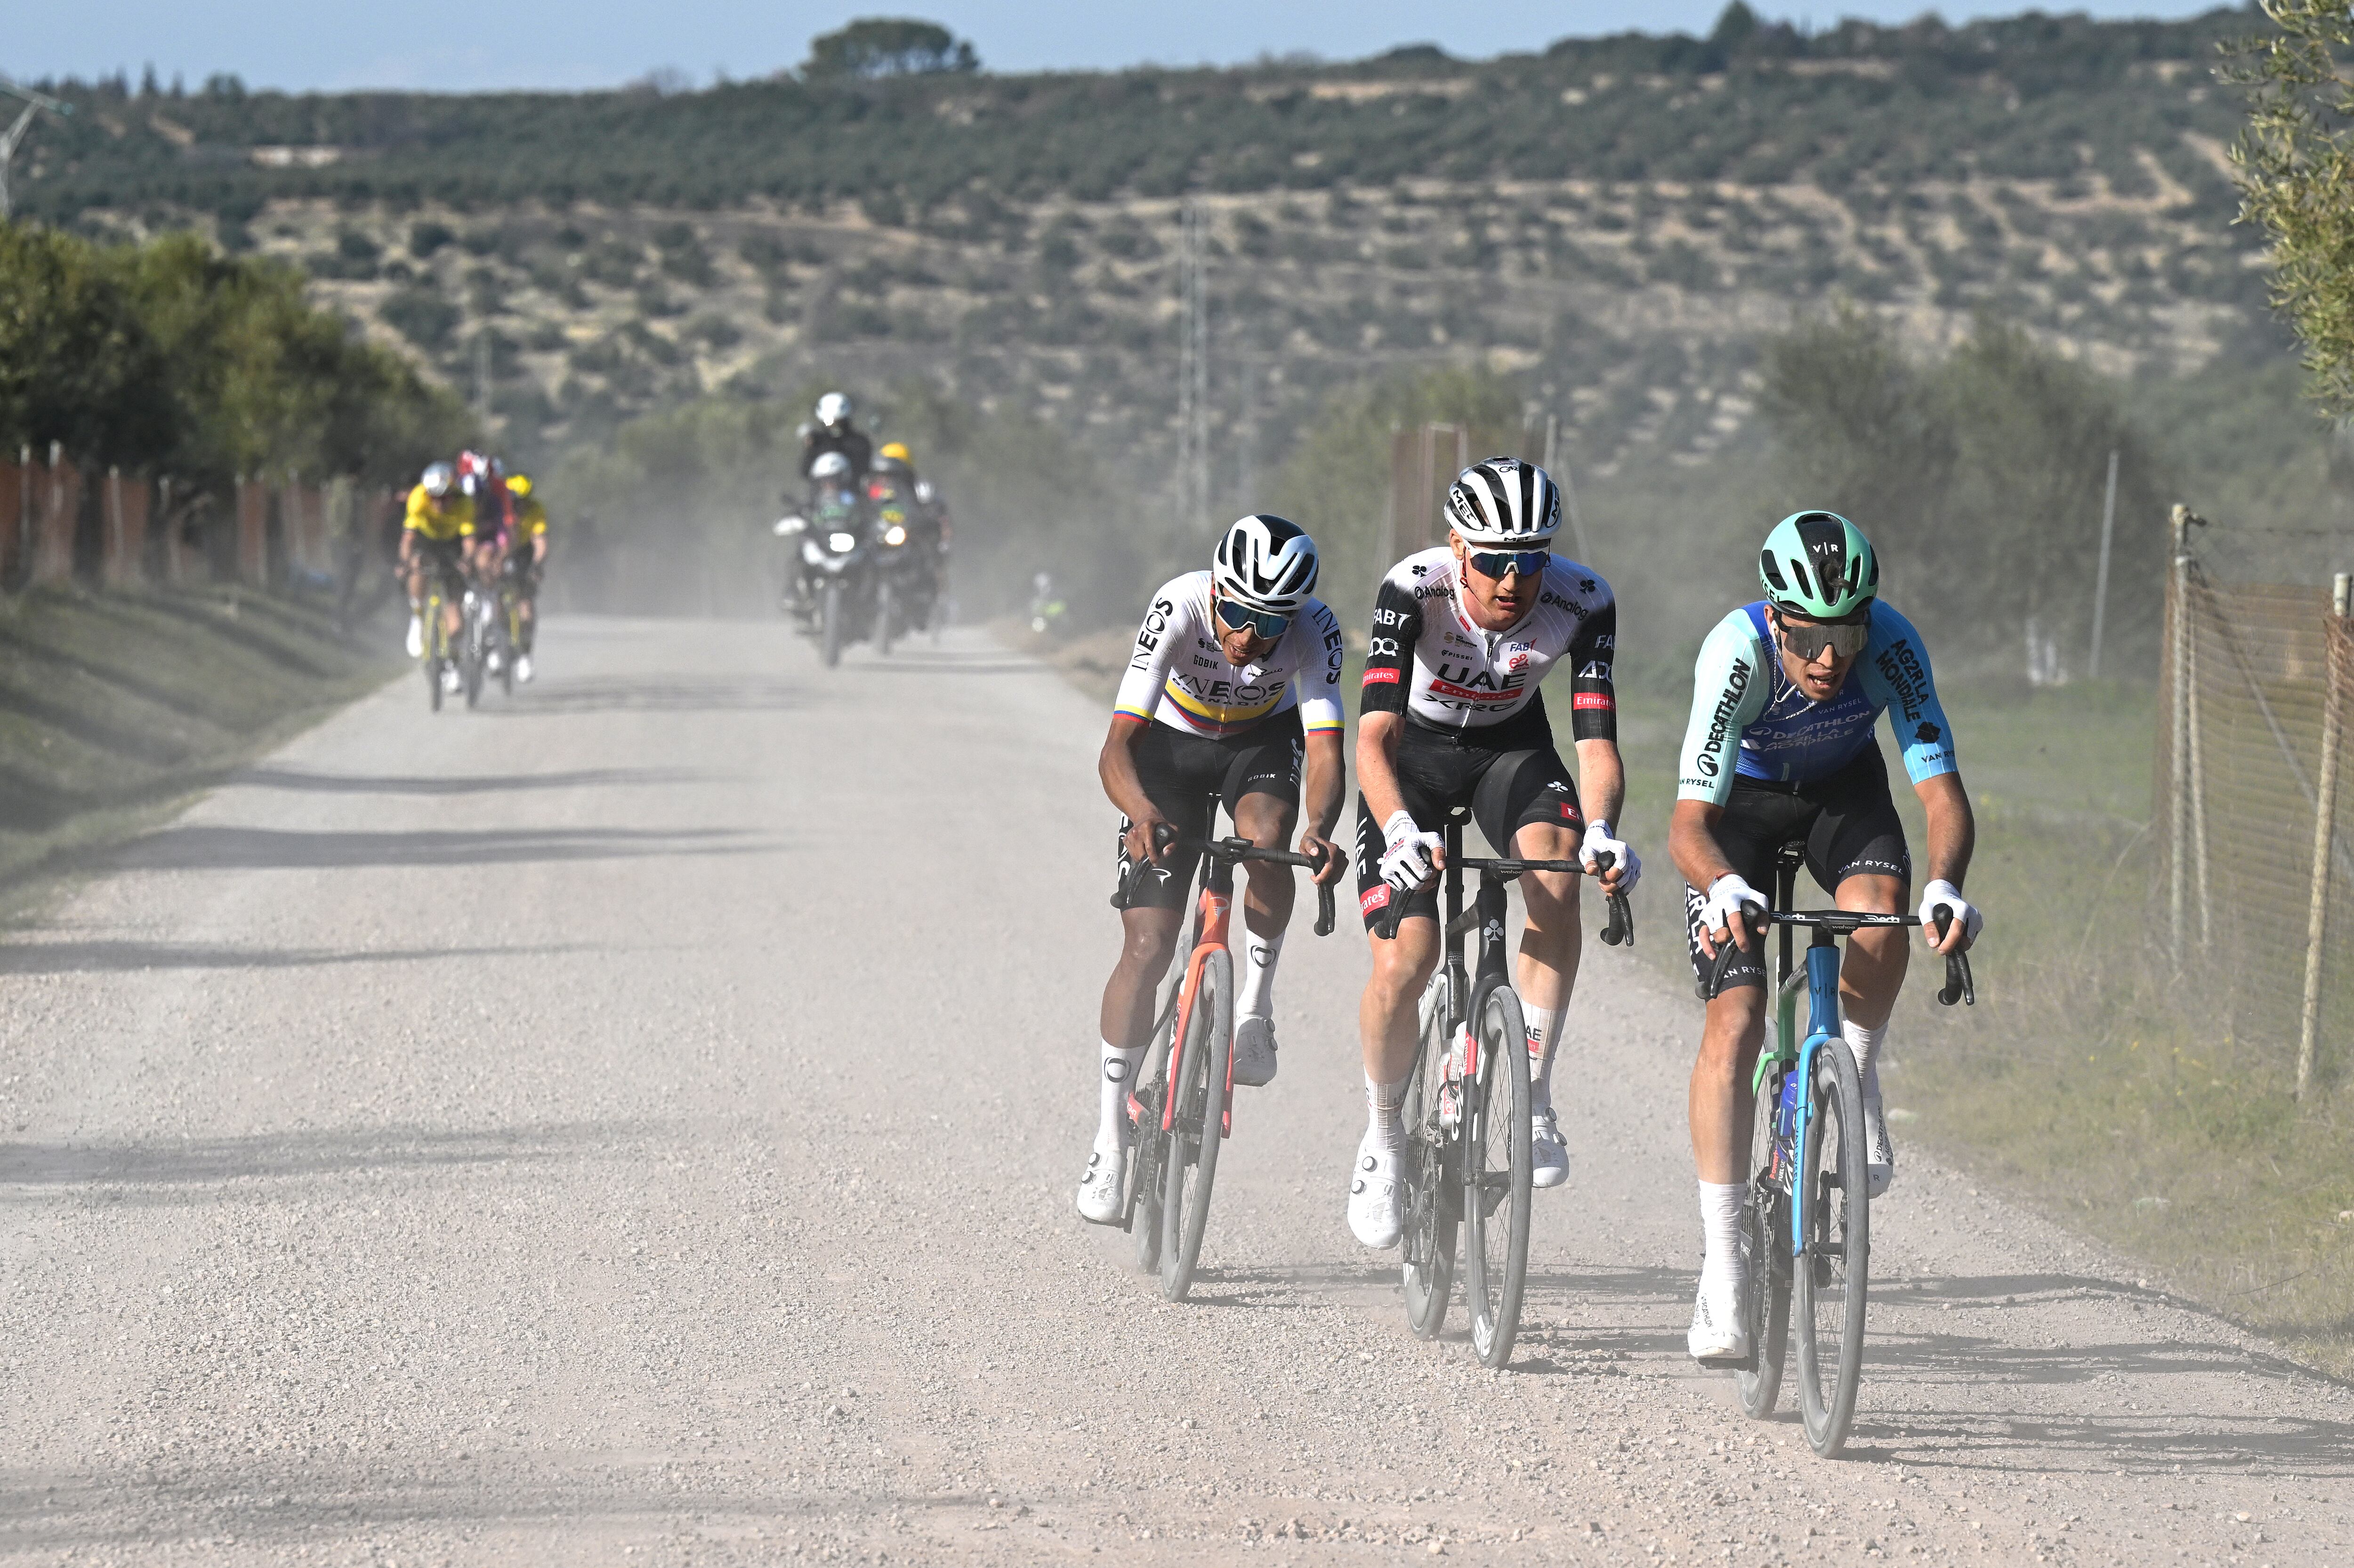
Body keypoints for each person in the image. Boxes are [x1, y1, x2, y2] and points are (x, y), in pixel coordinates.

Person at [1670, 510, 1981, 1362]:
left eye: (1846, 633)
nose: (1828, 659)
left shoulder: (1894, 643)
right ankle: (1726, 1266)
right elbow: (1687, 825)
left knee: (1886, 906)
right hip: (1740, 816)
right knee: (1735, 1017)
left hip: (1846, 796)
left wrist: (1949, 885)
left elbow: (1943, 795)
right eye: (1808, 636)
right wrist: (1724, 883)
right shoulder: (1735, 652)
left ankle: (1857, 1075)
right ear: (1777, 617)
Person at [1349, 457, 1638, 1250]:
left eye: (1533, 559)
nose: (1515, 579)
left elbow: (1596, 741)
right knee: (1406, 962)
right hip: (1411, 759)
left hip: (1512, 754)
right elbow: (1371, 738)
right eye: (1496, 559)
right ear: (1458, 548)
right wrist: (1400, 829)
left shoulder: (1585, 600)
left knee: (1557, 869)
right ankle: (1383, 1138)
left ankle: (1534, 1096)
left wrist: (1605, 829)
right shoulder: (1413, 587)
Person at [1076, 515, 1348, 1224]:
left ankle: (1254, 1009)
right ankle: (1109, 1136)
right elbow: (1115, 748)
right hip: (1169, 747)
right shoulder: (1180, 603)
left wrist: (1321, 827)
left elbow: (1324, 751)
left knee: (1268, 835)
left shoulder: (1316, 627)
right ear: (1217, 592)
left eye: (1270, 623)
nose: (1250, 637)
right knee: (1148, 944)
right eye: (1238, 614)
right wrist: (1140, 813)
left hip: (1259, 745)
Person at [401, 461, 474, 687]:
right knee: (417, 570)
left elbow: (470, 541)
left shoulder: (465, 504)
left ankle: (453, 665)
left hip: (452, 546)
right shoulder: (418, 498)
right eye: (435, 498)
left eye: (445, 498)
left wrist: (466, 560)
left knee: (456, 623)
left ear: (453, 494)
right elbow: (408, 540)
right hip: (427, 541)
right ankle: (417, 614)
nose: (440, 503)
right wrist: (407, 560)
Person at [502, 472, 550, 683]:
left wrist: (537, 565)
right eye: (515, 503)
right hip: (499, 550)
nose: (520, 508)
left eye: (524, 502)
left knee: (526, 610)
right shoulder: (499, 508)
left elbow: (540, 542)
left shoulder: (536, 510)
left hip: (523, 553)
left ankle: (524, 656)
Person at [799, 392, 872, 482]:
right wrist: (810, 450)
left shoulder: (859, 442)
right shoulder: (817, 442)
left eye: (838, 421)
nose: (833, 425)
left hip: (852, 492)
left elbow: (864, 471)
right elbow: (805, 472)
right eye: (828, 422)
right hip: (820, 493)